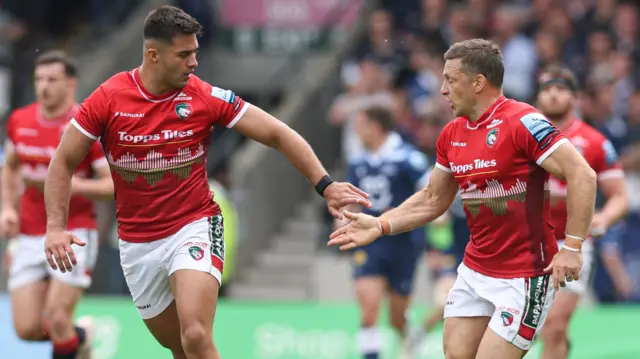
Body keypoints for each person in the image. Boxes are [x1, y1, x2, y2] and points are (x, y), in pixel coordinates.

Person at [42, 6, 371, 359]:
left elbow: (277, 133)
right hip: (138, 243)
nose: (194, 62)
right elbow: (62, 162)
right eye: (184, 54)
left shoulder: (204, 97)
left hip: (194, 226)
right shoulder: (109, 98)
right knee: (179, 347)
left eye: (196, 52)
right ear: (153, 54)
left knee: (197, 335)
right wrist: (55, 227)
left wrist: (325, 185)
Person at [328, 38, 598, 359]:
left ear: (478, 83)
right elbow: (432, 198)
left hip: (525, 275)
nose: (443, 89)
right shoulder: (452, 133)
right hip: (475, 270)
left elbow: (583, 175)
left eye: (450, 80)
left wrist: (572, 247)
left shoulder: (524, 122)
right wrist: (381, 223)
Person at [0, 50, 114, 359]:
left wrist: (64, 183)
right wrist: (7, 208)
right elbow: (10, 166)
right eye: (39, 79)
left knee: (58, 317)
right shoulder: (19, 120)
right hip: (28, 232)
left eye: (52, 79)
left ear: (70, 84)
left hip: (73, 231)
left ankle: (69, 336)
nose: (44, 86)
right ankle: (82, 338)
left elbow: (111, 186)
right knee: (27, 328)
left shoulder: (85, 126)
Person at [536, 65, 629, 359]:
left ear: (575, 99)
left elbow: (619, 197)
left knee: (553, 325)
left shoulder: (595, 142)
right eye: (546, 90)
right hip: (528, 243)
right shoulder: (523, 137)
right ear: (538, 99)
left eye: (560, 89)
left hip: (573, 243)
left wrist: (604, 217)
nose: (553, 95)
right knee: (533, 328)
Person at [334, 106, 429, 359]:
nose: (356, 129)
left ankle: (409, 335)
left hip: (402, 242)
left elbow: (432, 195)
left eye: (360, 123)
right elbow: (351, 201)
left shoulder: (409, 159)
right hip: (368, 242)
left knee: (396, 319)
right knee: (368, 307)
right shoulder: (358, 162)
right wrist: (342, 221)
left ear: (375, 127)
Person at [409, 192, 469, 349]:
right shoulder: (451, 189)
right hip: (452, 257)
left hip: (485, 258)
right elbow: (434, 218)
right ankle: (418, 334)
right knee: (446, 303)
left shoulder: (493, 189)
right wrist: (432, 250)